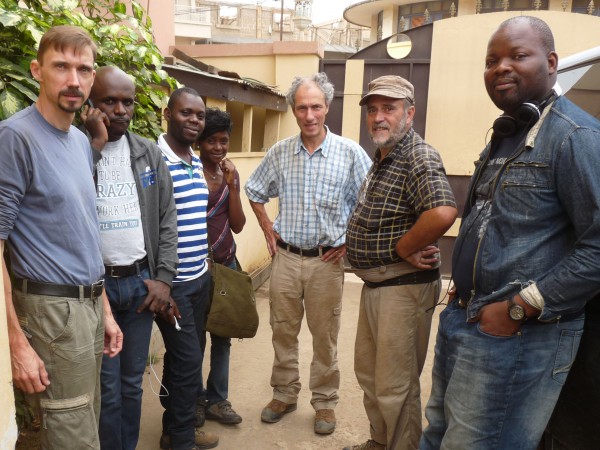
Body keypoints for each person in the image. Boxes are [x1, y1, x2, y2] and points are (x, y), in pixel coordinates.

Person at [420, 16, 600, 450]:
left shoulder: (575, 136)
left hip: (516, 336)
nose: (501, 67)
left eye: (518, 56)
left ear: (552, 63)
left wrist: (519, 307)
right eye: (491, 60)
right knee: (439, 435)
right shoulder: (507, 132)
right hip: (465, 319)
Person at [0, 25, 122, 449]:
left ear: (92, 78)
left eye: (83, 69)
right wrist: (14, 340)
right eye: (61, 67)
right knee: (73, 437)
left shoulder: (77, 141)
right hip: (52, 312)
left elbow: (82, 233)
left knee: (86, 421)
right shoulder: (15, 137)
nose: (73, 79)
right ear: (37, 70)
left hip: (87, 307)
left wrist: (103, 310)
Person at [245, 72, 372, 435]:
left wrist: (351, 239)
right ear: (294, 111)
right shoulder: (281, 152)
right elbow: (255, 190)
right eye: (302, 107)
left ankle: (325, 402)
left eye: (316, 106)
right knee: (282, 331)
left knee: (324, 335)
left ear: (327, 107)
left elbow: (370, 199)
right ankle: (284, 394)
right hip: (285, 259)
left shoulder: (349, 153)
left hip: (326, 262)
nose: (310, 114)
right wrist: (268, 229)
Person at [344, 76, 457, 450]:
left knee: (395, 386)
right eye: (372, 109)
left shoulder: (417, 155)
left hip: (402, 289)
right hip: (379, 287)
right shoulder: (385, 156)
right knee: (371, 376)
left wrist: (405, 247)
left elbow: (442, 212)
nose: (378, 117)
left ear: (410, 113)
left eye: (388, 108)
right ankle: (380, 442)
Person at [82, 66, 179, 450]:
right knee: (106, 390)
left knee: (131, 384)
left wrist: (164, 280)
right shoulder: (77, 149)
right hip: (98, 292)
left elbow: (166, 221)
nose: (120, 110)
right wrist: (95, 145)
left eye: (127, 102)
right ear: (91, 104)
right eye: (109, 101)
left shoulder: (149, 153)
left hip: (140, 288)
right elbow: (71, 207)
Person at [156, 87, 219, 450]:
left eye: (199, 114)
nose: (194, 120)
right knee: (188, 360)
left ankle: (172, 427)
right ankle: (181, 439)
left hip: (199, 277)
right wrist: (161, 282)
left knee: (184, 358)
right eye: (185, 113)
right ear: (168, 114)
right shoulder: (156, 159)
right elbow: (154, 226)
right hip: (174, 284)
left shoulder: (194, 159)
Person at [197, 108, 246, 425]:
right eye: (211, 141)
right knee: (194, 340)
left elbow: (238, 224)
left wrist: (233, 186)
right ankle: (195, 400)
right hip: (197, 269)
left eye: (223, 141)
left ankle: (218, 400)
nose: (218, 147)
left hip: (227, 264)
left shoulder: (230, 174)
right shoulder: (189, 171)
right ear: (199, 142)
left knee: (223, 336)